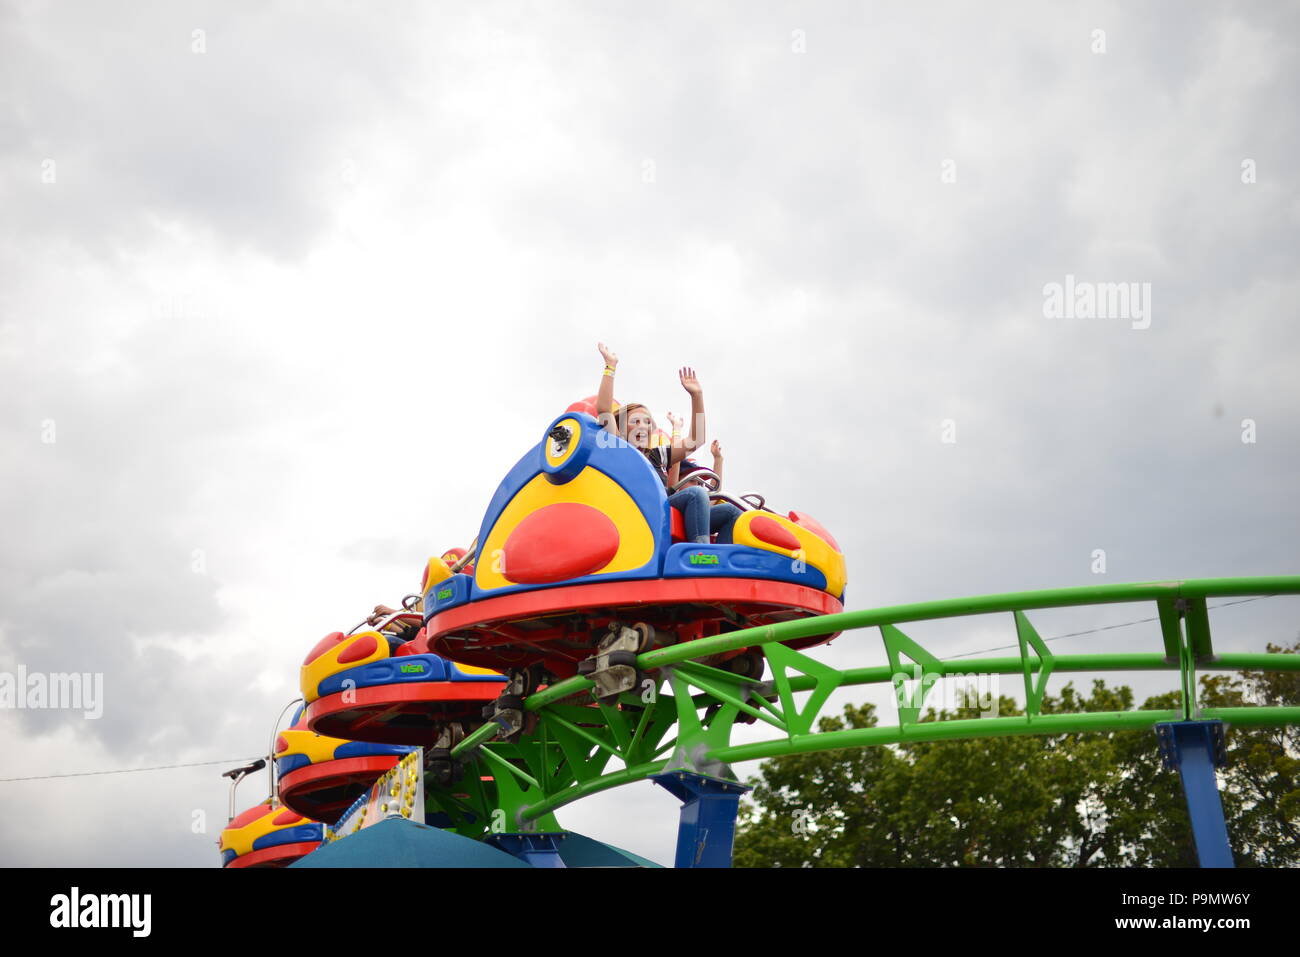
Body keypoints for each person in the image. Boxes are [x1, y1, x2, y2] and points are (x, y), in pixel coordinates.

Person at [595, 343, 740, 544]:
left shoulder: (656, 454)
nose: (643, 427)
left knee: (730, 512)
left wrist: (697, 396)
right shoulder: (618, 447)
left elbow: (696, 440)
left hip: (663, 505)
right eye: (635, 422)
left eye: (647, 422)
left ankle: (719, 563)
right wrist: (610, 366)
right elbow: (603, 409)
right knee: (695, 493)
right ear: (620, 427)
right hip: (639, 508)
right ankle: (701, 554)